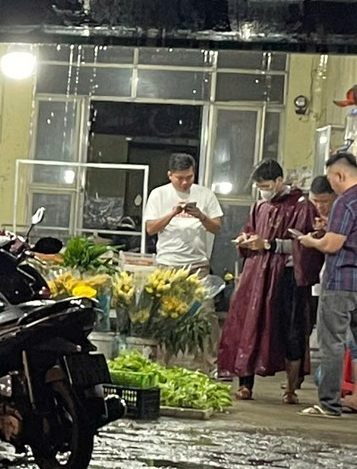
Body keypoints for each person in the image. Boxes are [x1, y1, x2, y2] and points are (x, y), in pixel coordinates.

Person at [216, 160, 321, 403]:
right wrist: (246, 239)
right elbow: (250, 230)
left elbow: (306, 244)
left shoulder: (302, 206)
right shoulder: (260, 206)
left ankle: (291, 388)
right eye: (260, 187)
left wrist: (269, 244)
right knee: (248, 326)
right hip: (256, 275)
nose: (263, 191)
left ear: (279, 181)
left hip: (287, 277)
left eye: (266, 186)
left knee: (291, 330)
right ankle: (245, 385)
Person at [297, 151, 357, 417]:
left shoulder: (346, 201)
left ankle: (329, 404)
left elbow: (332, 245)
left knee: (332, 342)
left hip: (341, 281)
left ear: (339, 175)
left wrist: (312, 241)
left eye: (331, 179)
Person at [143, 153, 223, 272]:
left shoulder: (206, 194)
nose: (185, 182)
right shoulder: (158, 194)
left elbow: (217, 229)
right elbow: (150, 229)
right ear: (170, 175)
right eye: (179, 178)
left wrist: (201, 216)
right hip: (167, 262)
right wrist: (172, 214)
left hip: (198, 263)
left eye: (189, 177)